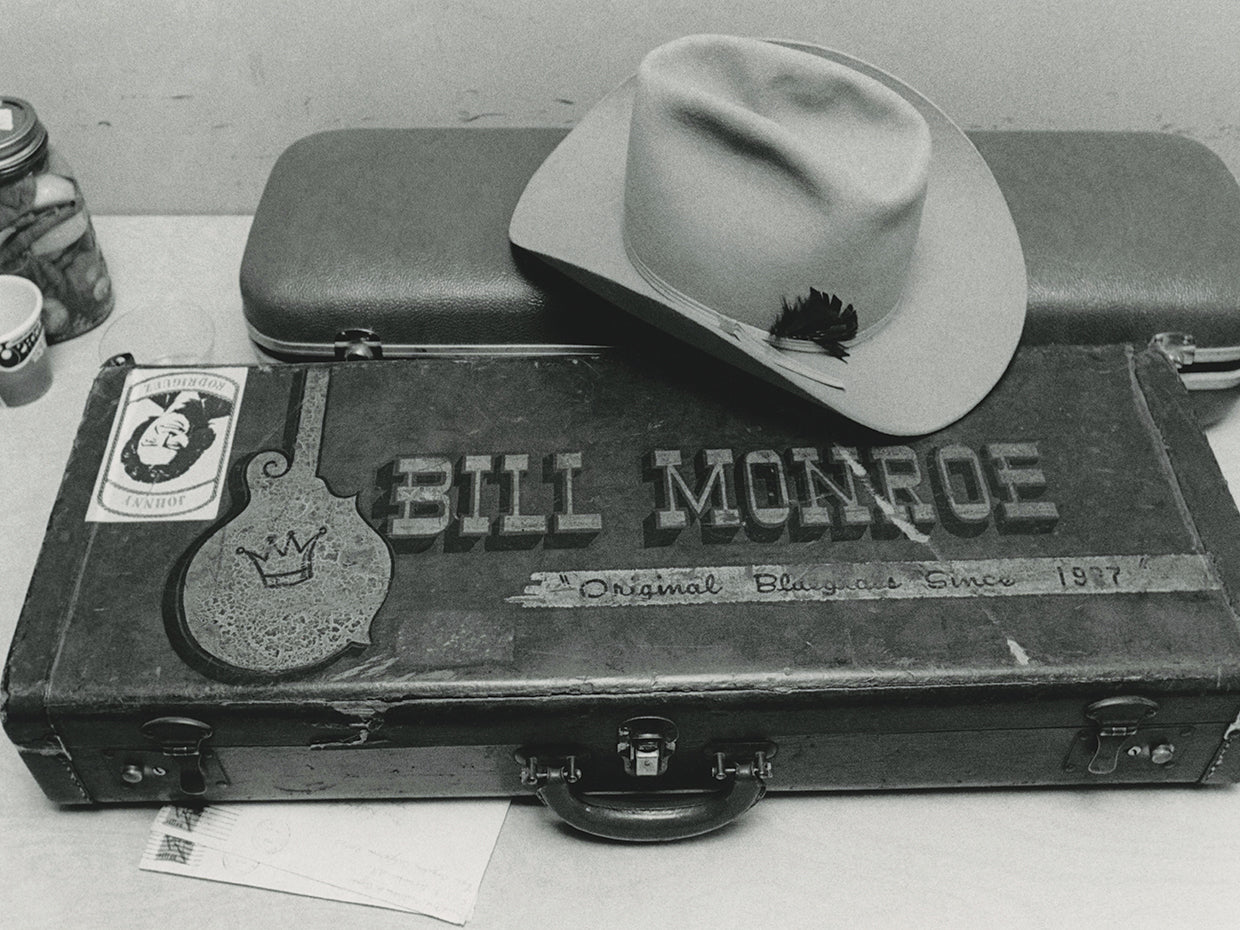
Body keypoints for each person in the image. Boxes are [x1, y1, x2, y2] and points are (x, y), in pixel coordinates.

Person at [119, 389, 233, 484]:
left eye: (150, 441)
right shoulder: (231, 404)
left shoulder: (152, 388)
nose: (165, 436)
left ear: (142, 432)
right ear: (189, 443)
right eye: (173, 445)